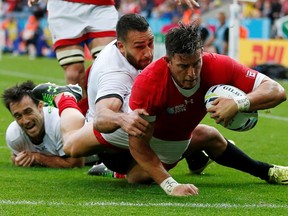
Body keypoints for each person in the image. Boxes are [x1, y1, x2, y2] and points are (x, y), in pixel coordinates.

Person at [32, 16, 288, 196]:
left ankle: (268, 171)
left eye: (196, 63)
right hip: (127, 126)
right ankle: (64, 97)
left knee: (142, 175)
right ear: (168, 61)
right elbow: (119, 129)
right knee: (72, 146)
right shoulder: (142, 80)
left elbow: (276, 91)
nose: (191, 73)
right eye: (183, 66)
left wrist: (240, 102)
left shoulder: (218, 64)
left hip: (167, 135)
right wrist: (170, 185)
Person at [27, 0, 119, 114]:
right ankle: (82, 123)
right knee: (74, 74)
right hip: (63, 7)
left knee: (110, 68)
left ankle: (109, 120)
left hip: (101, 6)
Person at [2, 80, 96, 168]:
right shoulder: (13, 136)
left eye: (28, 112)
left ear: (40, 106)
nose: (25, 121)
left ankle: (66, 96)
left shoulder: (59, 123)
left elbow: (77, 163)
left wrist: (38, 158)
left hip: (102, 155)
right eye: (18, 116)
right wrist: (18, 160)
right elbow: (15, 157)